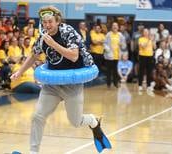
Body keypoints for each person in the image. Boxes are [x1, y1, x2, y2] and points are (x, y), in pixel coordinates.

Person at [11, 6, 110, 154]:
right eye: (44, 22)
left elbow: (74, 56)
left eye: (50, 22)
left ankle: (93, 121)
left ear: (57, 21)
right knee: (37, 116)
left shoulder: (67, 32)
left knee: (75, 122)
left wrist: (53, 45)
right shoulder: (43, 35)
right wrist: (19, 71)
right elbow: (34, 55)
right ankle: (33, 152)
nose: (47, 25)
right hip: (52, 84)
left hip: (72, 84)